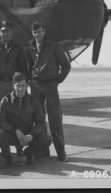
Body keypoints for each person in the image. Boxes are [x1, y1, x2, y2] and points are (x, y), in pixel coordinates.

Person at [25, 21, 71, 162]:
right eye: (34, 32)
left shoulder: (53, 46)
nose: (37, 35)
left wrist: (58, 80)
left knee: (55, 120)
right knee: (38, 120)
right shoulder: (29, 47)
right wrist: (29, 80)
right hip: (35, 86)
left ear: (44, 32)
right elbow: (26, 66)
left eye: (39, 32)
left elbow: (66, 65)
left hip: (50, 85)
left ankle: (61, 153)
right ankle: (43, 151)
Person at [0, 72, 51, 165]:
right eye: (18, 85)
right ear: (13, 86)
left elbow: (40, 122)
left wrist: (32, 135)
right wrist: (14, 130)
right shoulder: (6, 100)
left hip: (27, 135)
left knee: (46, 139)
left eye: (23, 86)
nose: (20, 89)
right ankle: (7, 156)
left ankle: (29, 152)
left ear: (26, 86)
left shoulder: (33, 101)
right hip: (12, 134)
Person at [0, 20, 26, 108]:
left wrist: (23, 82)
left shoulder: (18, 48)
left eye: (7, 31)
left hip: (13, 83)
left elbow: (23, 67)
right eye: (3, 31)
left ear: (12, 32)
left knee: (15, 108)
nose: (5, 33)